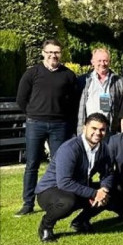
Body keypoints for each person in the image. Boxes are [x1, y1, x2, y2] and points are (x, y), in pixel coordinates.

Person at [16, 39, 79, 217]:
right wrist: (33, 114)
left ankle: (57, 198)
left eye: (56, 52)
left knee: (59, 164)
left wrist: (66, 120)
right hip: (35, 124)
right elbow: (21, 98)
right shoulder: (32, 73)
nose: (53, 55)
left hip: (59, 125)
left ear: (61, 53)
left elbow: (73, 102)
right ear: (43, 53)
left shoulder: (68, 75)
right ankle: (28, 203)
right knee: (32, 164)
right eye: (50, 52)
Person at [35, 113, 114, 242]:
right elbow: (64, 182)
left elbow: (108, 173)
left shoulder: (103, 148)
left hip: (77, 187)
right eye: (94, 128)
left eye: (102, 129)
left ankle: (80, 221)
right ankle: (46, 226)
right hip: (50, 190)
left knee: (111, 193)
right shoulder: (70, 148)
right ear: (84, 128)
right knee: (68, 201)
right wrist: (94, 193)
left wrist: (103, 189)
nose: (98, 133)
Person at [77, 47, 123, 135]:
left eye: (105, 61)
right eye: (99, 61)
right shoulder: (83, 80)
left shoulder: (119, 81)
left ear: (110, 62)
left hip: (110, 128)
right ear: (92, 62)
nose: (102, 64)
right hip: (90, 128)